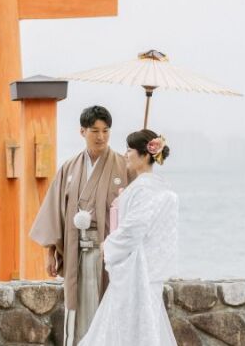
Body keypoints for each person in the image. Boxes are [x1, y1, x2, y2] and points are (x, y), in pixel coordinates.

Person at [30, 106, 136, 346]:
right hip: (75, 251)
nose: (101, 137)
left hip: (110, 256)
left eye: (106, 131)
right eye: (95, 131)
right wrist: (50, 254)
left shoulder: (124, 167)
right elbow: (55, 211)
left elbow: (137, 212)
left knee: (107, 310)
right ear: (82, 131)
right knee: (78, 312)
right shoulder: (69, 167)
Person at [78, 130, 178, 346]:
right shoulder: (160, 188)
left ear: (144, 155)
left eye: (129, 149)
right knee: (141, 327)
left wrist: (109, 245)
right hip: (150, 270)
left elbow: (133, 229)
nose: (125, 154)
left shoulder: (143, 189)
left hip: (136, 272)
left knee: (123, 329)